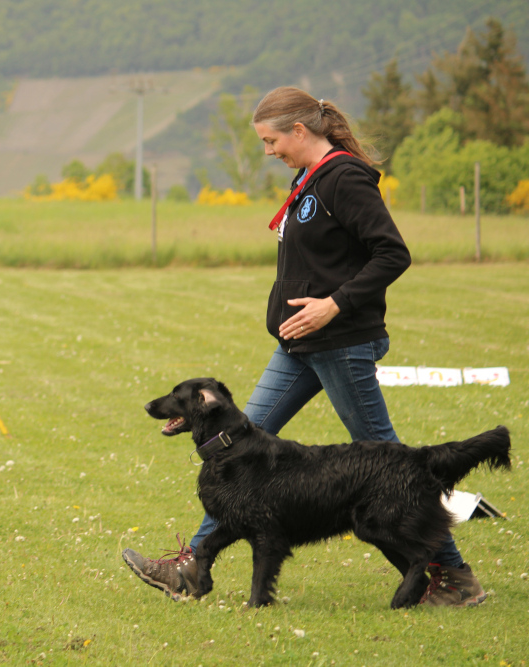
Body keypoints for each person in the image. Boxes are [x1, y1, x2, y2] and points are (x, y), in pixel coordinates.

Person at [123, 86, 485, 607]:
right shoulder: (308, 181)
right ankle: (193, 566)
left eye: (272, 141)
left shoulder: (346, 179)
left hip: (340, 343)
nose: (268, 152)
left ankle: (452, 578)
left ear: (299, 130)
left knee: (388, 466)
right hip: (298, 346)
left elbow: (391, 253)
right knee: (232, 448)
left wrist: (333, 304)